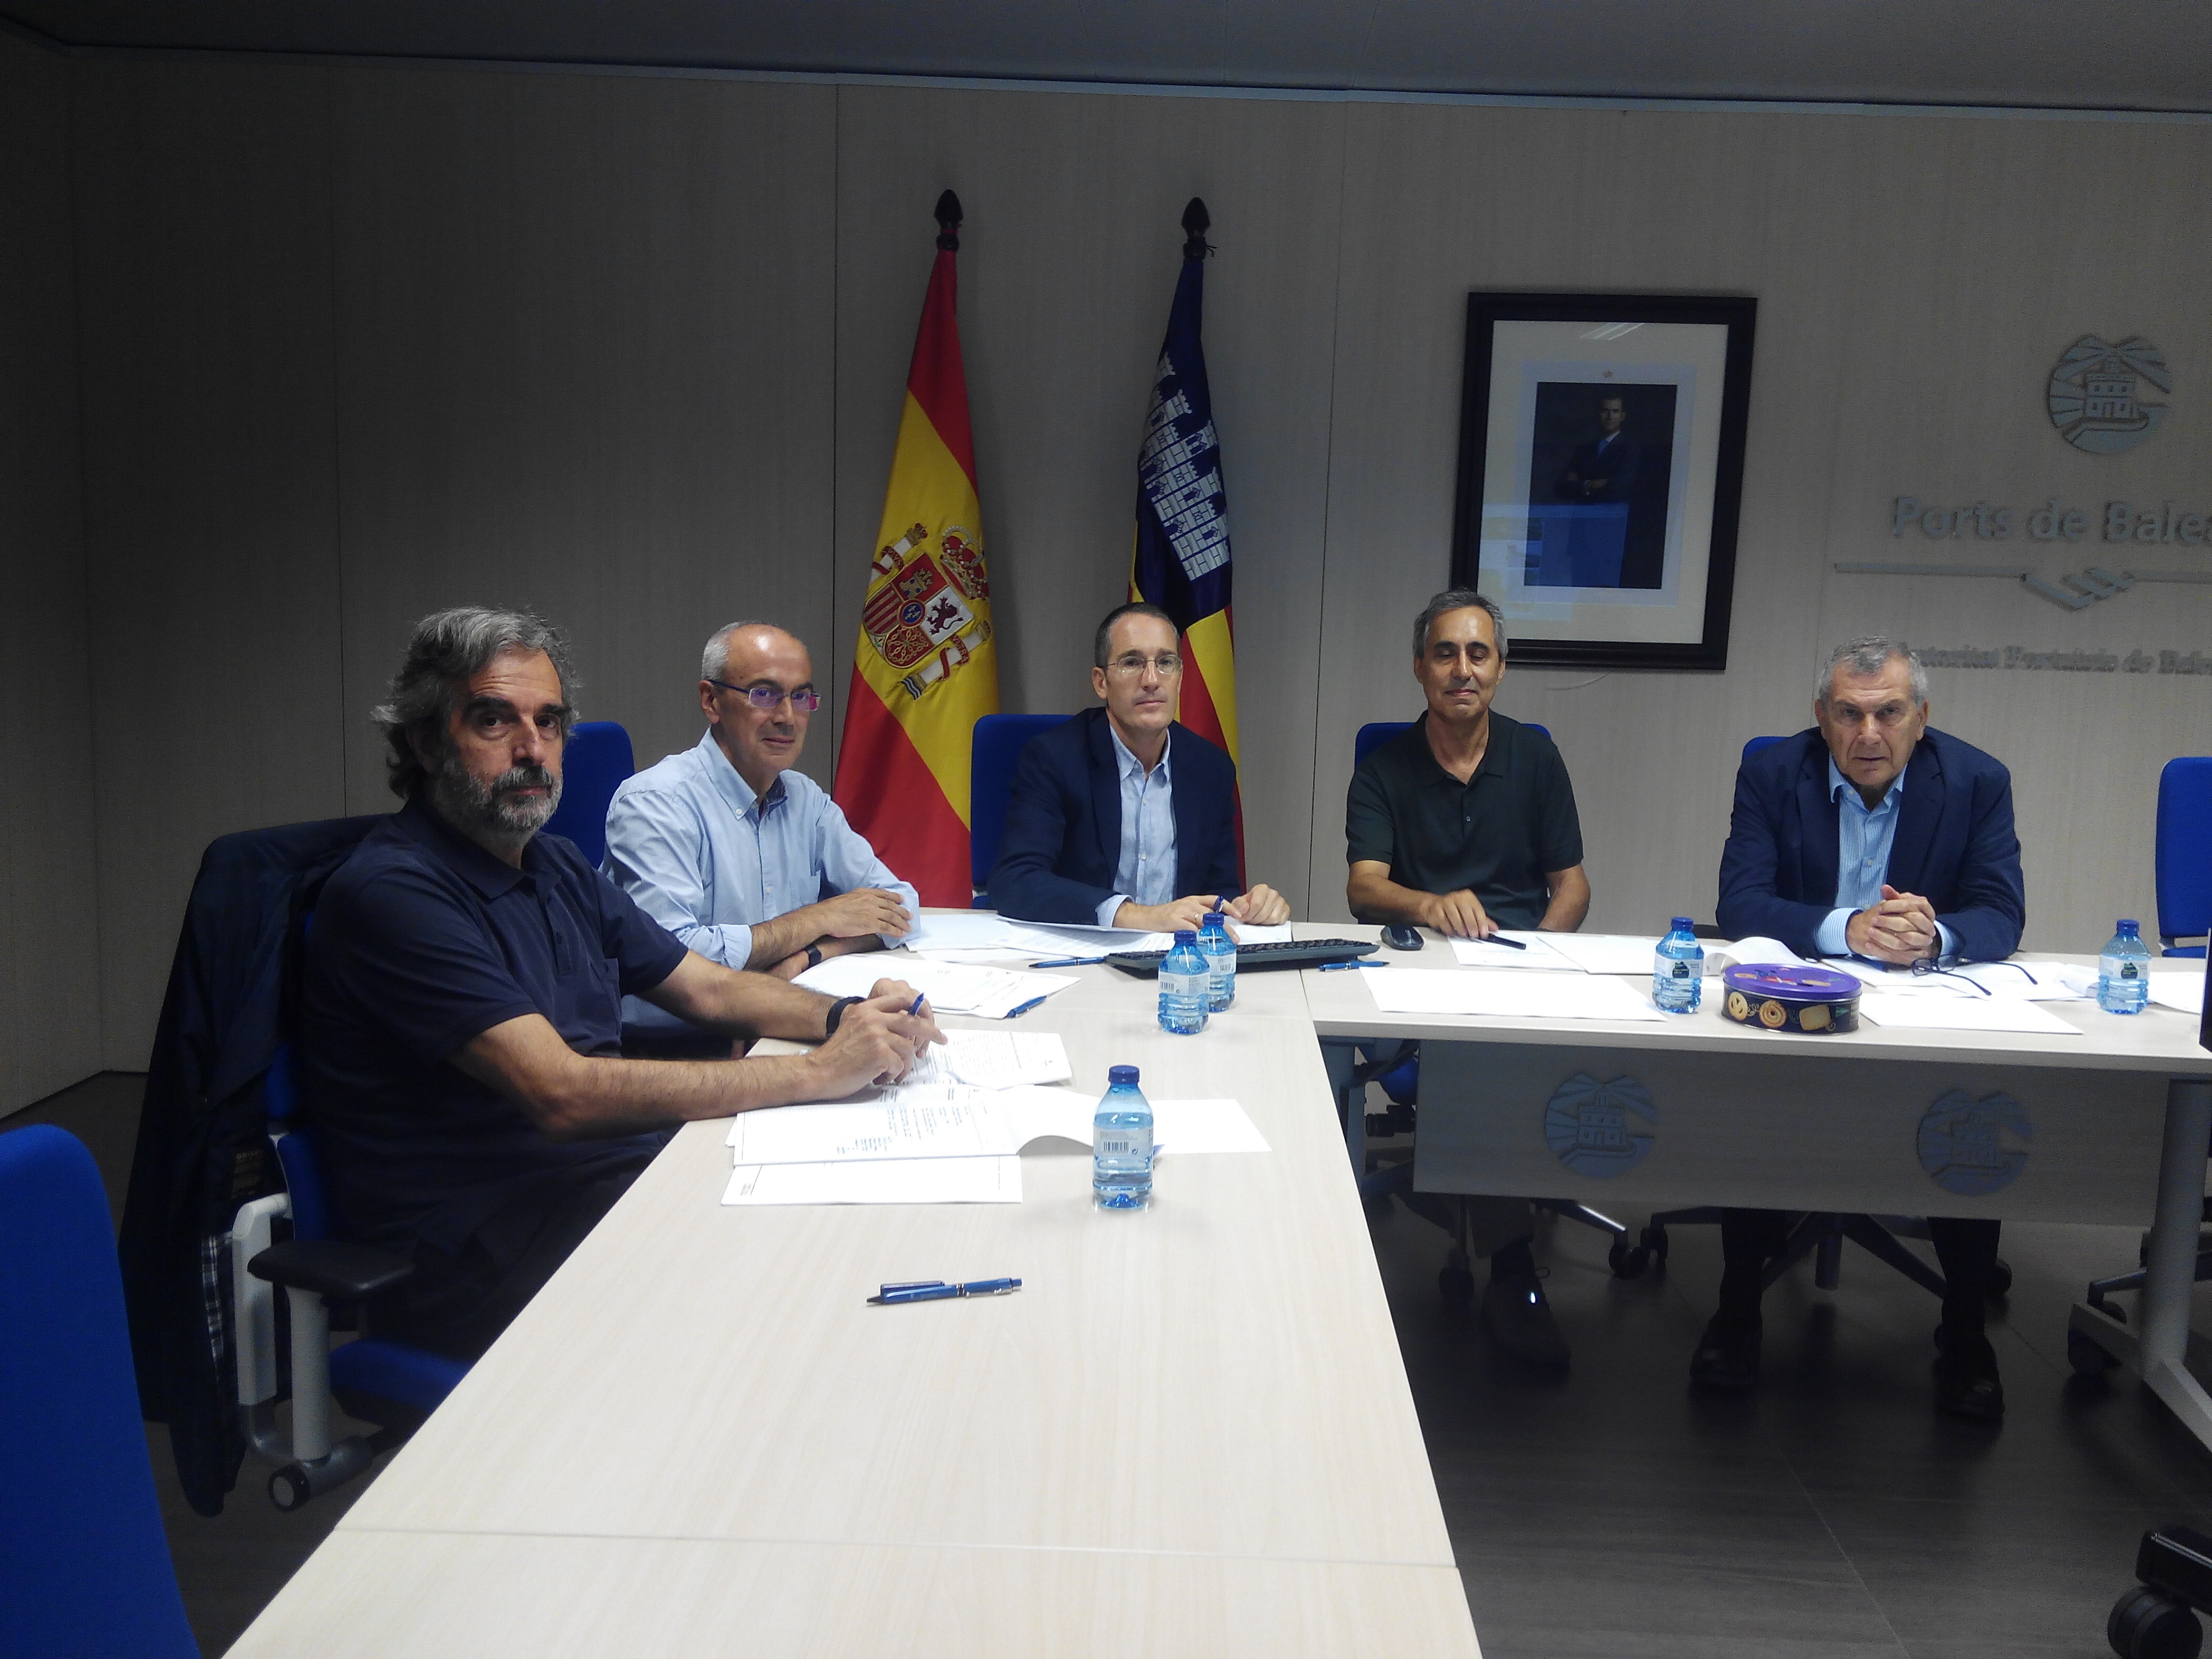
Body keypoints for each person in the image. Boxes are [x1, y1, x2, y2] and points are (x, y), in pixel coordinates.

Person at [302, 607, 941, 1359]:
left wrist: (845, 1016)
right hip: (474, 1240)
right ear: (423, 738)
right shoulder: (395, 893)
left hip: (595, 1181)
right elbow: (563, 1092)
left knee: (837, 1223)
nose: (531, 749)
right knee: (785, 1295)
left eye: (549, 722)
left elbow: (705, 988)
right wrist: (816, 1072)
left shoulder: (554, 865)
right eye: (492, 721)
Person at [1701, 635, 2025, 1419]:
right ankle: (1737, 1312)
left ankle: (1965, 1334)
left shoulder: (1978, 780)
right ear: (1821, 717)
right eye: (1848, 714)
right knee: (1759, 1102)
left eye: (1888, 713)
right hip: (1806, 1000)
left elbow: (2001, 911)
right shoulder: (1775, 772)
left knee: (1967, 1115)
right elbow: (1740, 903)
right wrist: (1848, 929)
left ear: (1922, 718)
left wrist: (1935, 937)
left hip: (1926, 1010)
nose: (1868, 734)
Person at [1345, 589, 1590, 1367]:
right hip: (1422, 969)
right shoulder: (1385, 766)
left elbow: (1573, 884)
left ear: (1502, 669)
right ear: (1420, 668)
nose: (1462, 669)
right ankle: (1515, 1273)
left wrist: (1543, 956)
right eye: (1445, 653)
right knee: (1482, 1066)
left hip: (1523, 965)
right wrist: (1430, 903)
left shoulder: (1535, 756)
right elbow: (1364, 887)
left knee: (1510, 1061)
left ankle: (1507, 1245)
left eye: (1478, 654)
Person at [605, 623, 919, 1047]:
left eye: (801, 697)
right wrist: (818, 919)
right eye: (764, 694)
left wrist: (807, 957)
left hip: (781, 1021)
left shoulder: (805, 798)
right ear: (711, 701)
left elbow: (902, 904)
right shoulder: (655, 803)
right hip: (678, 1047)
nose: (787, 717)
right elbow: (674, 957)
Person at [987, 601, 1289, 931]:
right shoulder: (1054, 758)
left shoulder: (1211, 768)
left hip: (1177, 959)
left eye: (1166, 663)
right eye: (1132, 662)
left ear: (1180, 678)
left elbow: (1217, 892)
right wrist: (1135, 915)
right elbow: (1016, 879)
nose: (1151, 679)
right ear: (1101, 682)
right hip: (1084, 953)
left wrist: (1248, 907)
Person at [1555, 393, 1640, 504]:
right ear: (1598, 414)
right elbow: (1562, 487)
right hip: (1581, 516)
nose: (1610, 417)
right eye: (1605, 411)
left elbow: (1619, 489)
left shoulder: (1631, 449)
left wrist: (1581, 484)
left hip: (1613, 517)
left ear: (1622, 416)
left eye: (1615, 411)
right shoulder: (1584, 449)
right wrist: (1590, 485)